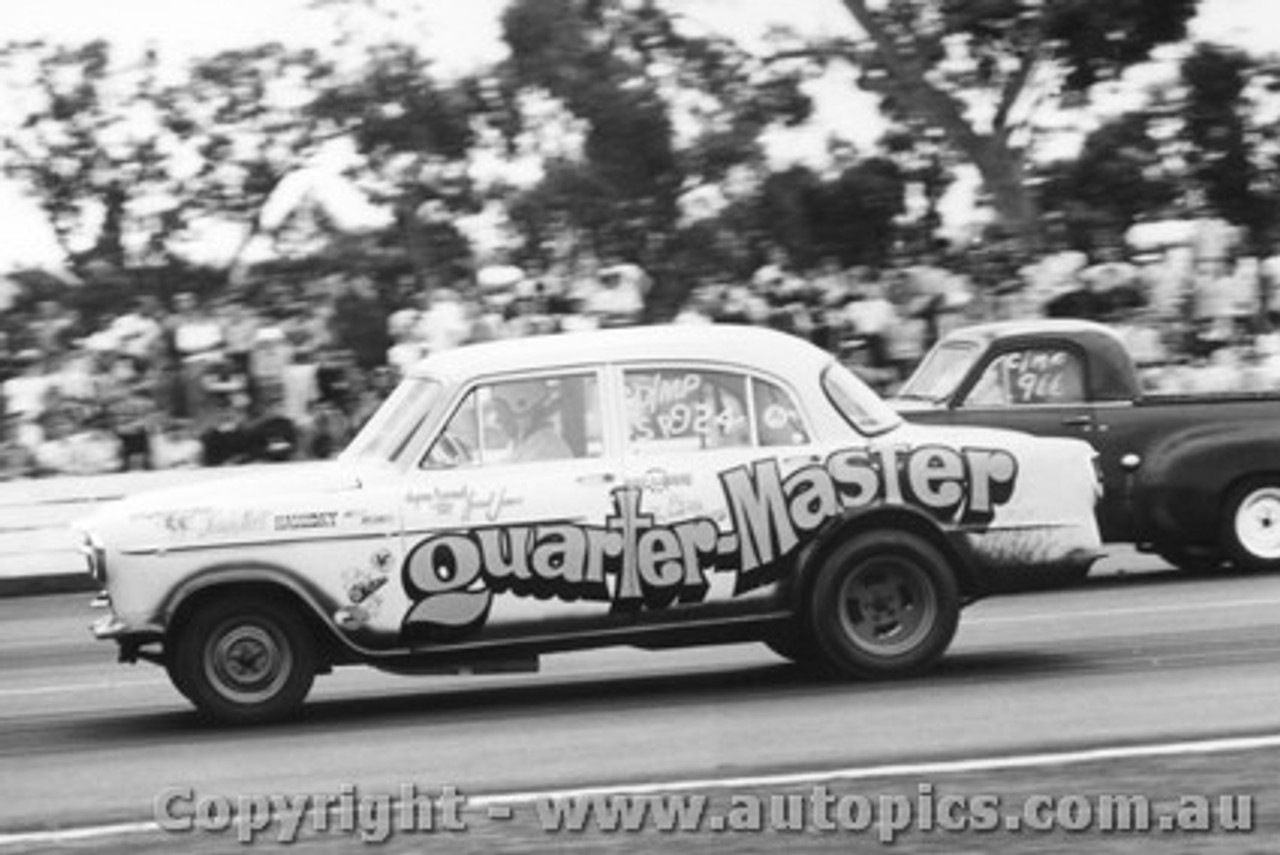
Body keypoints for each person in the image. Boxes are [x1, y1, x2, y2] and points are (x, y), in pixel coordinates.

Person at [490, 379, 571, 463]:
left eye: (500, 410)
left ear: (521, 406)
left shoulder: (546, 451)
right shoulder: (526, 445)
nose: (497, 420)